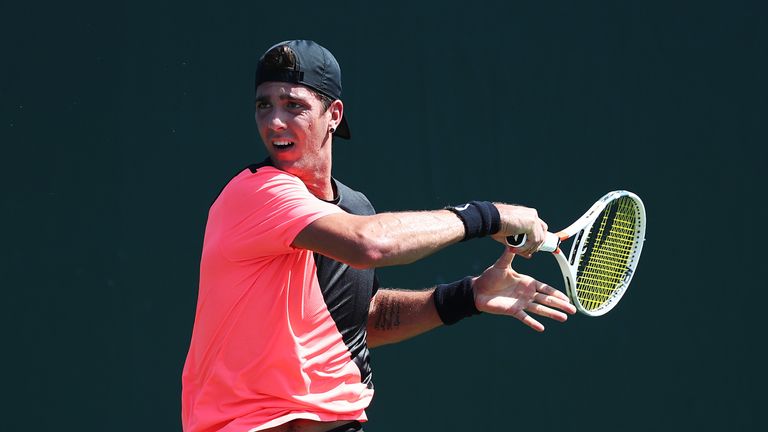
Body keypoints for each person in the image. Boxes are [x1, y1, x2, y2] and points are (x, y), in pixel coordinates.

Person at [181, 39, 577, 432]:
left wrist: (467, 295)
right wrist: (489, 216)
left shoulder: (354, 208)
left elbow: (365, 321)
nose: (274, 122)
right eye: (263, 105)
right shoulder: (255, 193)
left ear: (333, 114)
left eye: (294, 105)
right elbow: (369, 244)